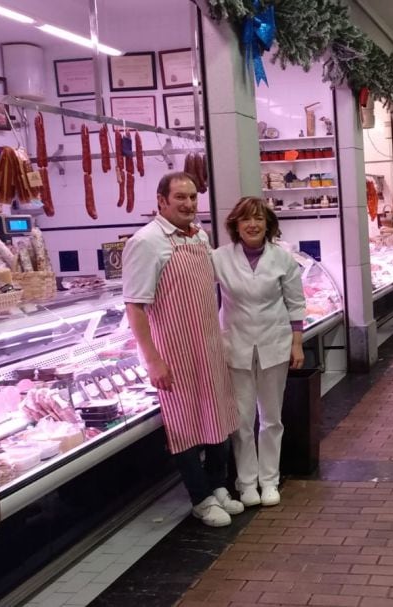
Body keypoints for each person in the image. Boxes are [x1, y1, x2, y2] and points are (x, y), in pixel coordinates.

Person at [122, 172, 244, 527]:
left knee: (217, 413)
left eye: (193, 197)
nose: (189, 204)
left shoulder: (200, 235)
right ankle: (200, 498)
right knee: (186, 425)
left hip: (207, 342)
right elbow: (135, 306)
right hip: (174, 350)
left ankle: (218, 484)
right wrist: (152, 360)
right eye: (180, 198)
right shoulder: (146, 242)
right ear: (161, 201)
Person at [212, 197, 306, 508]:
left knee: (272, 418)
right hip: (235, 346)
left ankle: (269, 480)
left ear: (268, 224)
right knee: (241, 419)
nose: (252, 224)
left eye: (258, 219)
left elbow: (295, 303)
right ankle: (246, 482)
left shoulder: (283, 258)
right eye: (245, 220)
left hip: (274, 344)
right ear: (235, 226)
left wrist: (296, 343)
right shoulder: (220, 258)